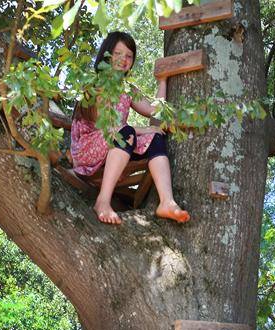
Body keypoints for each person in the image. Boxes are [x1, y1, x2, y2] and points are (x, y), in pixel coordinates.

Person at [71, 31, 190, 225]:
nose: (124, 59)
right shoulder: (97, 85)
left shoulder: (128, 89)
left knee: (155, 139)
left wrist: (162, 81)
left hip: (116, 146)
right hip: (88, 148)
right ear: (107, 55)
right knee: (126, 133)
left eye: (129, 56)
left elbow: (154, 111)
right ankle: (102, 201)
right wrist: (144, 129)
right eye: (118, 54)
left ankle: (167, 202)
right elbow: (108, 126)